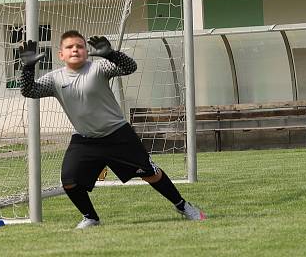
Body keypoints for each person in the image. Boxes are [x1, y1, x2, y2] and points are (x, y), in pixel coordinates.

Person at [19, 30, 207, 228]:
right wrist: (28, 68)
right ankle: (90, 217)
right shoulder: (54, 79)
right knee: (69, 181)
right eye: (69, 47)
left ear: (86, 50)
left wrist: (111, 54)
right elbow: (28, 90)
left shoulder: (98, 68)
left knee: (151, 173)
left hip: (118, 135)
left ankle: (182, 205)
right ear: (61, 54)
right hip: (85, 139)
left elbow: (130, 67)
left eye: (80, 46)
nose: (75, 49)